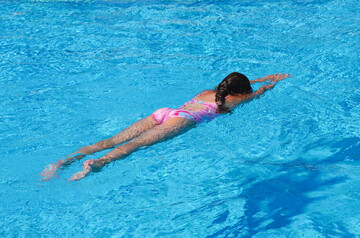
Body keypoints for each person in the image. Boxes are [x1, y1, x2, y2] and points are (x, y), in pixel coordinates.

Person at [40, 72, 291, 181]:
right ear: (240, 91)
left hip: (164, 112)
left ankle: (62, 162)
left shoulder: (208, 91)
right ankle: (97, 164)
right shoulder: (237, 99)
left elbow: (235, 84)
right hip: (181, 121)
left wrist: (252, 78)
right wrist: (271, 82)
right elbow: (260, 91)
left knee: (108, 140)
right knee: (134, 145)